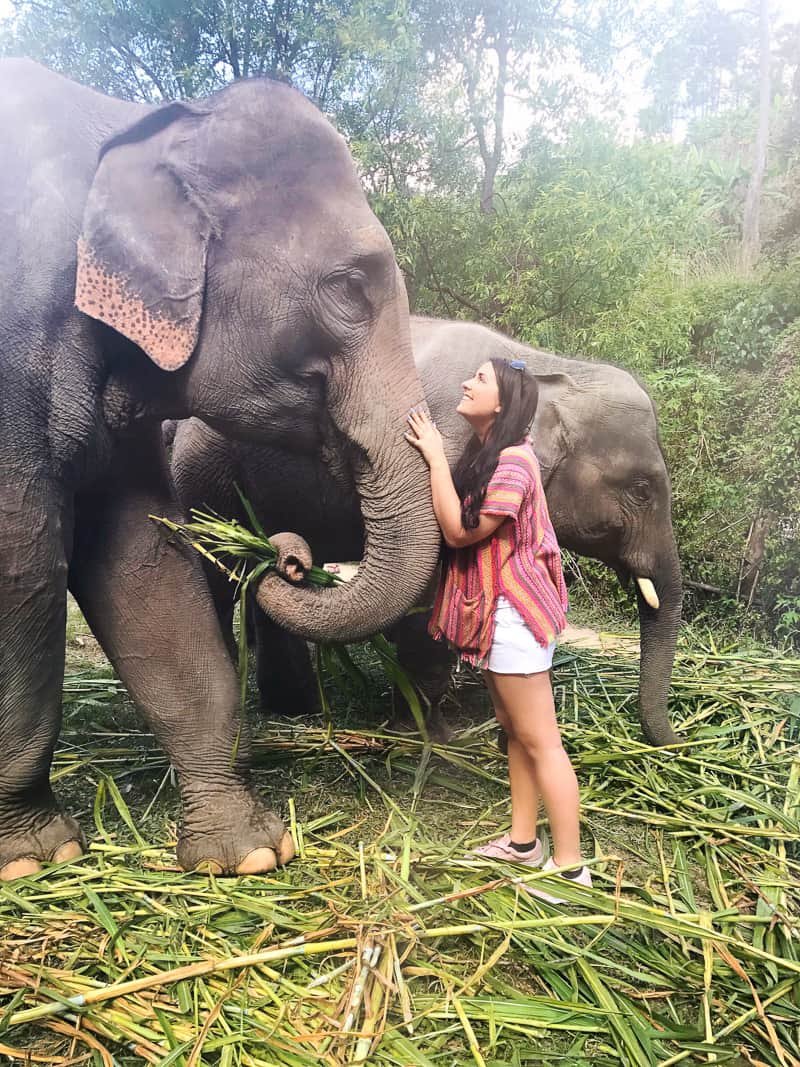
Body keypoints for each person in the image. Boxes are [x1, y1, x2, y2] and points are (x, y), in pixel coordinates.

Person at [405, 356, 591, 903]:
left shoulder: (514, 463)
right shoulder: (492, 456)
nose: (467, 382)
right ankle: (522, 842)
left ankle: (572, 870)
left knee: (541, 741)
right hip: (498, 616)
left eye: (479, 379)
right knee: (516, 731)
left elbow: (461, 534)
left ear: (504, 402)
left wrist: (435, 456)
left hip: (514, 614)